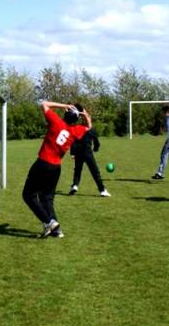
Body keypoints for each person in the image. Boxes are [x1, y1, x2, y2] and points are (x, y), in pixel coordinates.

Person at [23, 101, 90, 239]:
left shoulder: (56, 122)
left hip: (43, 163)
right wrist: (84, 115)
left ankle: (48, 222)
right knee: (47, 199)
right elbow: (89, 126)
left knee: (28, 195)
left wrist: (64, 106)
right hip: (56, 168)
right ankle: (57, 230)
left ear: (66, 113)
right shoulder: (75, 131)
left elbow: (44, 104)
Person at [69, 104, 110, 197]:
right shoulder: (90, 130)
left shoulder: (76, 129)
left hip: (78, 153)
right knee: (95, 172)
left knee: (77, 171)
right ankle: (102, 190)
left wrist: (72, 153)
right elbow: (97, 142)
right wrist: (96, 148)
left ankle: (75, 185)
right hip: (88, 153)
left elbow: (73, 142)